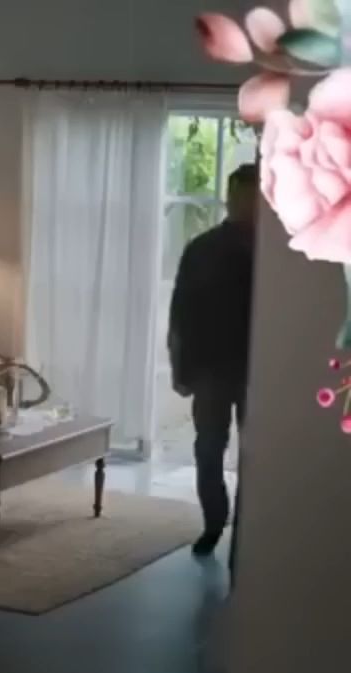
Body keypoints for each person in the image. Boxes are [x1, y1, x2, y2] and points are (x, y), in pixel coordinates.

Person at [168, 162, 257, 563]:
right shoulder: (202, 249)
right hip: (210, 369)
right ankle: (213, 523)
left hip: (258, 370)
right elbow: (181, 312)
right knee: (208, 450)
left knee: (256, 454)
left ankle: (249, 531)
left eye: (252, 197)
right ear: (230, 198)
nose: (245, 204)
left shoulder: (276, 256)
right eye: (240, 196)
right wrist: (179, 366)